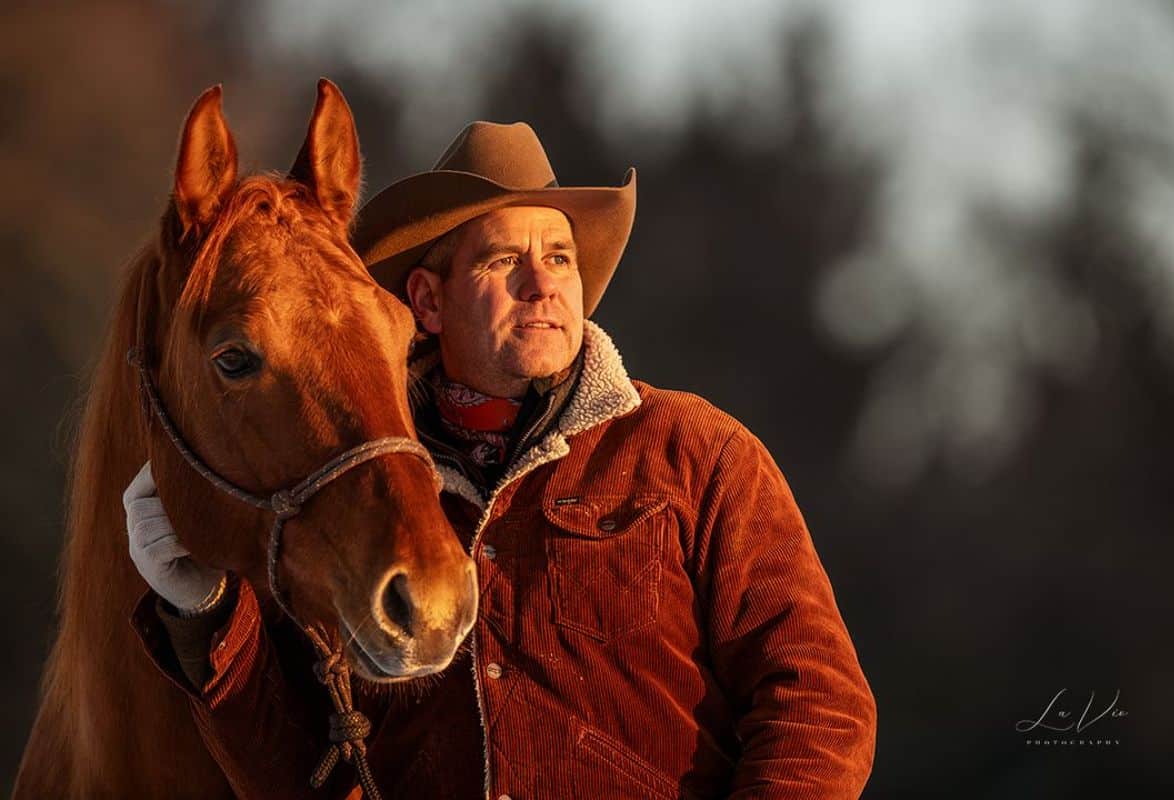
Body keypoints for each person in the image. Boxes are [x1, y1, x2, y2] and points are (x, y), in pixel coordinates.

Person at [124, 120, 877, 799]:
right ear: (427, 301)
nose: (544, 281)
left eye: (559, 255)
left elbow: (819, 704)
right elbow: (302, 780)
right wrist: (204, 617)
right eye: (503, 259)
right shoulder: (350, 505)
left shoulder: (696, 452)